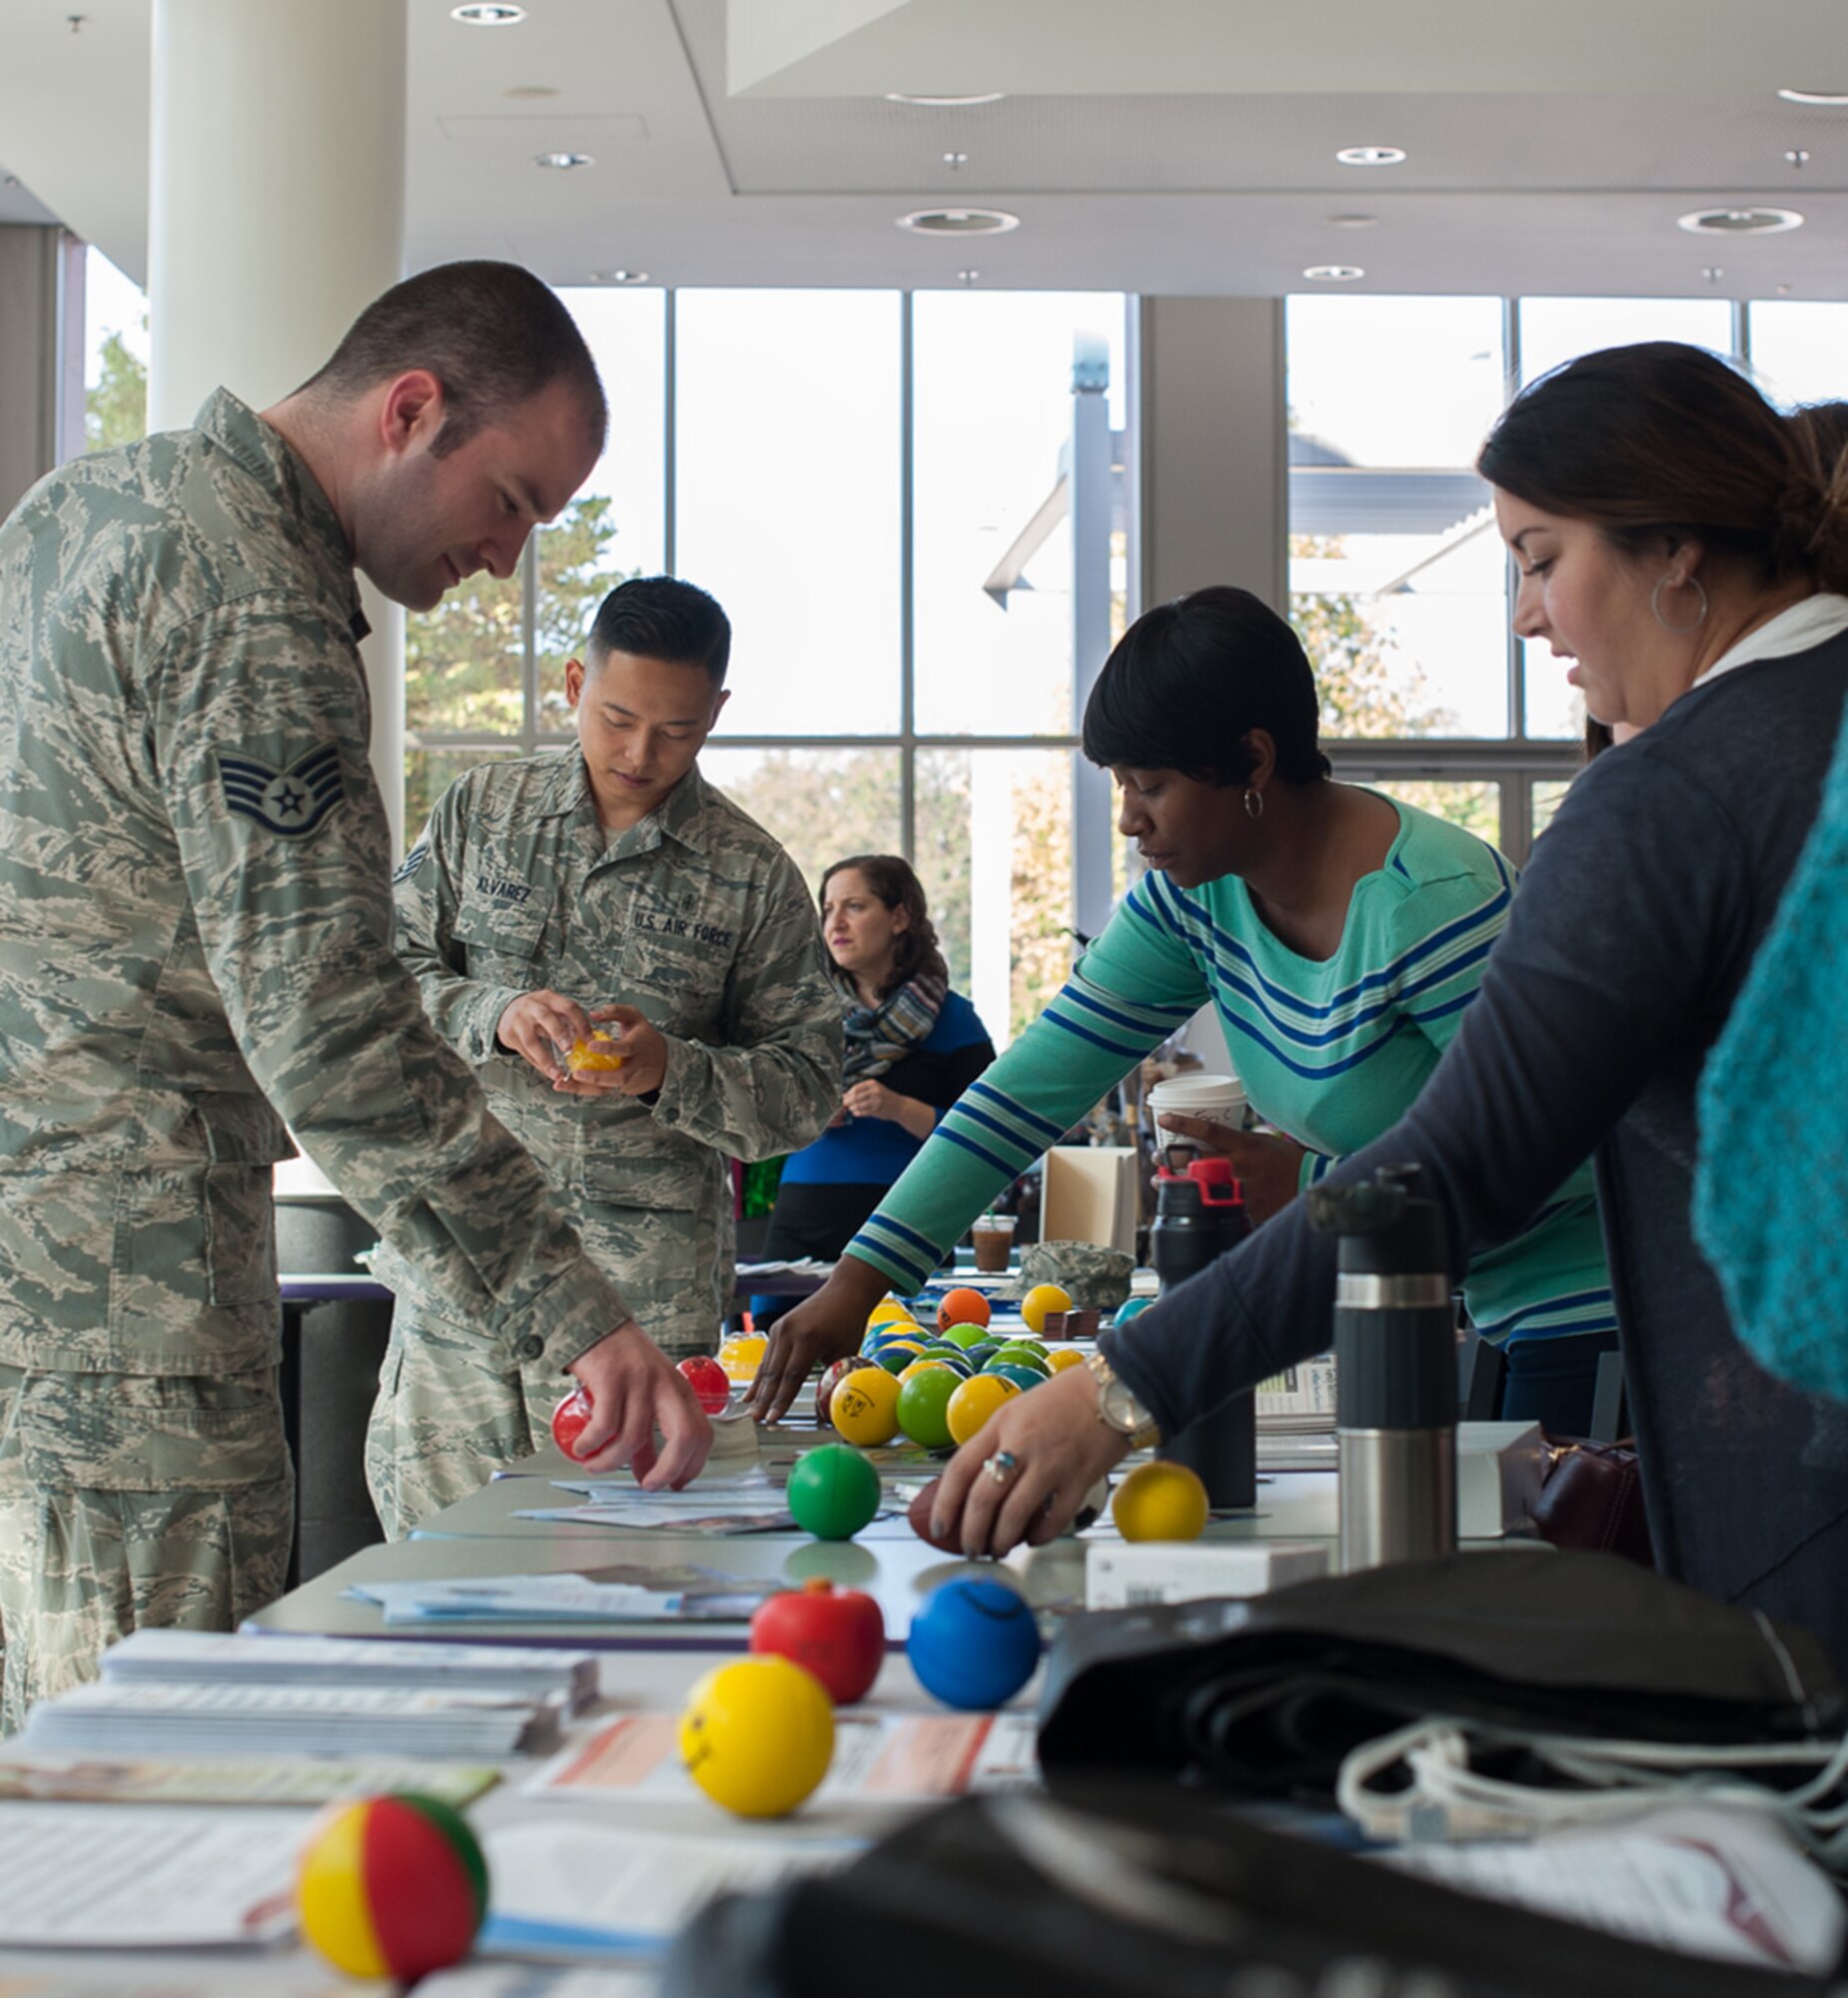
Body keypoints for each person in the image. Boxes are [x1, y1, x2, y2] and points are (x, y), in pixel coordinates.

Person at [912, 343, 1848, 1671]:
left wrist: (1124, 1388)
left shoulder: (1669, 795)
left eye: (1537, 558)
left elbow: (1449, 1166)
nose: (1528, 618)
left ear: (1674, 551)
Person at [0, 261, 713, 1729]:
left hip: (32, 1258)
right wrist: (575, 1311)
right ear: (409, 411)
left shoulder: (79, 511)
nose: (508, 560)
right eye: (509, 501)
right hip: (123, 1294)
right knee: (147, 1786)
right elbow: (332, 1032)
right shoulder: (257, 605)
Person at [750, 585, 1618, 1433]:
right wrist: (859, 1282)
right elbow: (1026, 1092)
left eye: (1152, 785)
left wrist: (1311, 1185)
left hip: (1589, 1307)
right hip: (1449, 1298)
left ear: (1252, 760)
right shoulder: (1197, 900)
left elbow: (1570, 1153)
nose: (1130, 819)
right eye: (1122, 786)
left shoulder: (1430, 901)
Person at [368, 576, 839, 1533]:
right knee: (429, 1556)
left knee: (621, 1562)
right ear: (575, 681)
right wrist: (492, 1011)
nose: (639, 754)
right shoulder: (480, 812)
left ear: (717, 714)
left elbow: (811, 1088)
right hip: (465, 1271)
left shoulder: (750, 874)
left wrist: (676, 1070)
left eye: (677, 731)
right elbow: (380, 976)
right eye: (617, 717)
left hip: (641, 1299)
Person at [749, 856, 995, 1322]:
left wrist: (901, 1108)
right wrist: (804, 1114)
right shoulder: (799, 1017)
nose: (835, 923)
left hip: (911, 1223)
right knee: (771, 1351)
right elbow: (757, 1114)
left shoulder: (955, 1020)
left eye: (855, 906)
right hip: (801, 1224)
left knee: (909, 1361)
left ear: (899, 916)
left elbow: (988, 1138)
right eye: (828, 909)